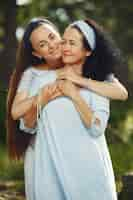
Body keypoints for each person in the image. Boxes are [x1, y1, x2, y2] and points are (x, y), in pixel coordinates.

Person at [7, 17, 127, 199]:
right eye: (43, 44)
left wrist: (77, 84)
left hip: (84, 159)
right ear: (37, 53)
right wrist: (42, 98)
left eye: (53, 37)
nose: (53, 45)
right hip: (47, 158)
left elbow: (120, 93)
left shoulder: (86, 66)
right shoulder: (34, 74)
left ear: (60, 35)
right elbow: (19, 115)